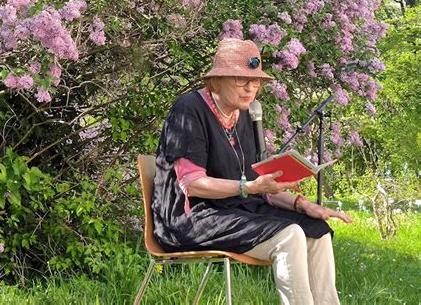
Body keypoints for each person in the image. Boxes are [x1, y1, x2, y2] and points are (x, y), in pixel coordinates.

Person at [151, 38, 352, 305]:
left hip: (235, 210)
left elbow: (260, 185)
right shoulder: (189, 110)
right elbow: (193, 184)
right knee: (290, 235)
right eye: (240, 79)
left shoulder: (244, 114)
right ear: (216, 81)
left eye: (256, 81)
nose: (250, 88)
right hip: (191, 217)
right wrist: (250, 188)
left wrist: (301, 204)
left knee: (317, 230)